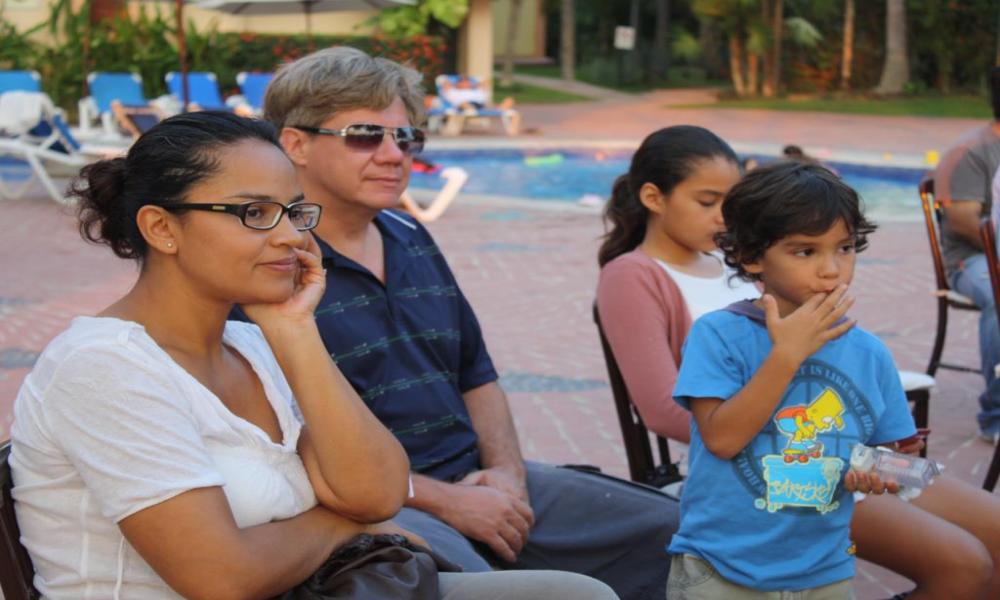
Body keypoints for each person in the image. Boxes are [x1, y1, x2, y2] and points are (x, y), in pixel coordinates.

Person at [9, 111, 617, 600]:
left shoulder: (250, 343)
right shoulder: (104, 369)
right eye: (254, 213)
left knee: (576, 593)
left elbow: (377, 493)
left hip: (324, 586)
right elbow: (221, 578)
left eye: (294, 211)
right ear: (162, 228)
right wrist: (344, 525)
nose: (292, 236)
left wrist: (295, 330)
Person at [253, 46, 678, 599]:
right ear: (295, 144)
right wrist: (448, 501)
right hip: (377, 505)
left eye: (406, 138)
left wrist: (506, 475)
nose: (393, 155)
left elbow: (476, 375)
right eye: (365, 136)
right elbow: (290, 446)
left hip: (479, 477)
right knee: (514, 590)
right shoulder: (272, 268)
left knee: (674, 532)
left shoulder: (410, 236)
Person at [598, 133, 999, 599]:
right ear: (749, 256)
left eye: (844, 249)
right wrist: (788, 358)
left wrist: (877, 463)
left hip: (827, 514)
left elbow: (895, 452)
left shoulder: (865, 348)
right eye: (806, 252)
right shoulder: (703, 317)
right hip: (745, 514)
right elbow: (712, 433)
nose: (831, 270)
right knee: (965, 562)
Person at [933, 66, 1000, 442]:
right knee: (998, 293)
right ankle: (996, 414)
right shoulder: (971, 152)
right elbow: (963, 222)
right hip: (972, 259)